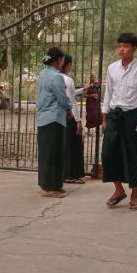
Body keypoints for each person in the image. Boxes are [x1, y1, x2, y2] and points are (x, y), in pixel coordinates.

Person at [101, 33, 137, 210]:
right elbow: (108, 93)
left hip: (133, 116)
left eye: (126, 46)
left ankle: (134, 194)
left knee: (133, 154)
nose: (121, 49)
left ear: (134, 49)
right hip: (114, 115)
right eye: (120, 45)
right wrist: (104, 117)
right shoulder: (112, 68)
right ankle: (118, 190)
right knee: (108, 153)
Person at [36, 47, 72, 198]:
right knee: (54, 154)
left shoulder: (42, 74)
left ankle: (51, 185)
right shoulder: (56, 77)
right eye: (62, 59)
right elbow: (62, 98)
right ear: (58, 60)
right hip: (54, 118)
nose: (63, 62)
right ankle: (50, 187)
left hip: (43, 118)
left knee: (47, 153)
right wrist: (69, 107)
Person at [61, 54, 86, 184]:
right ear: (69, 64)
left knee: (63, 145)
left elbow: (67, 94)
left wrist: (81, 90)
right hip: (69, 116)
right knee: (73, 146)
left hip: (58, 116)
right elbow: (71, 101)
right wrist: (78, 121)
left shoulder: (52, 78)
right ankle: (72, 175)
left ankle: (63, 174)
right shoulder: (68, 80)